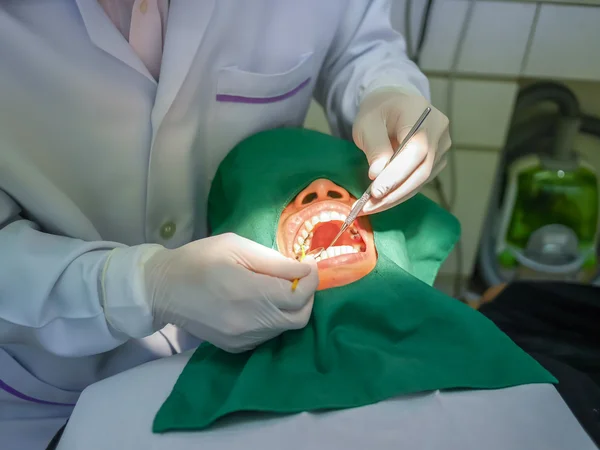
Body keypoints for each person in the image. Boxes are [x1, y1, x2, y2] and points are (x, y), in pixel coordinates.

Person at [0, 1, 450, 447]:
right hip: (38, 391)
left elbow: (358, 45)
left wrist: (386, 91)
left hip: (243, 383)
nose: (322, 195)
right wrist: (141, 287)